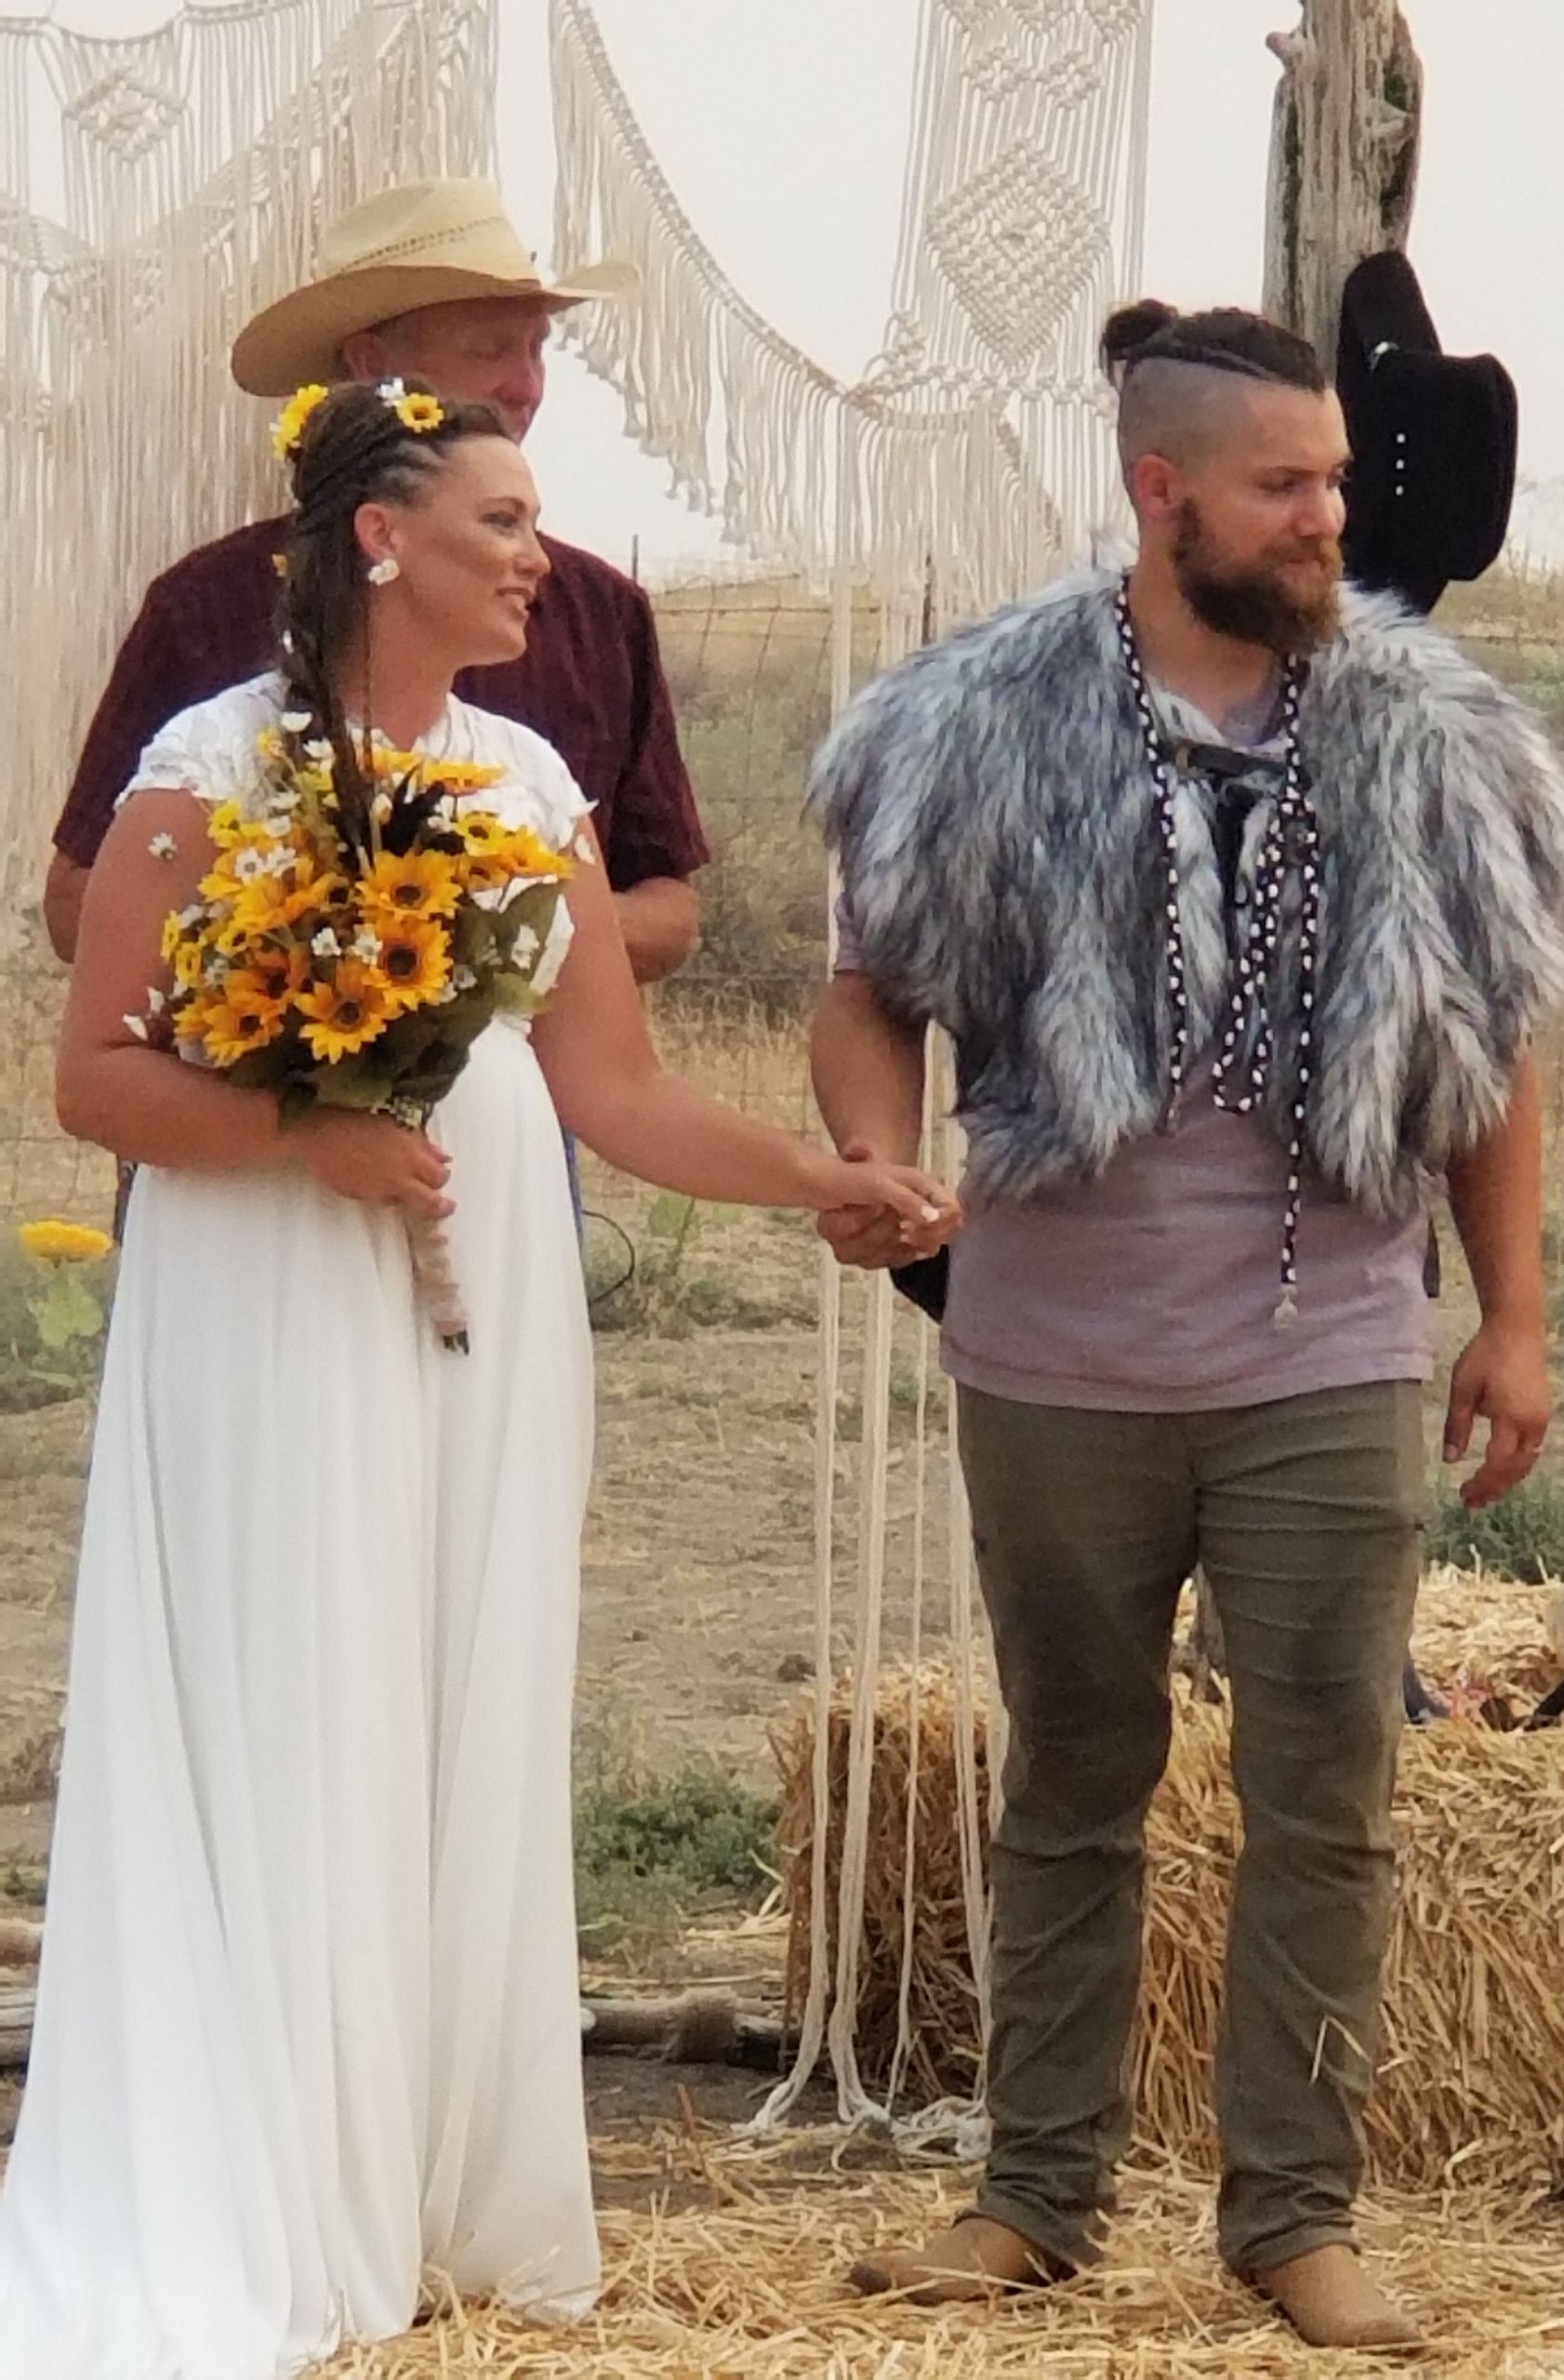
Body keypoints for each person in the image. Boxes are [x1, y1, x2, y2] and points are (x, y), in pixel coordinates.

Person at [0, 377, 957, 2379]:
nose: (538, 555)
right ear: (382, 538)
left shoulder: (528, 777)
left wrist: (821, 1179)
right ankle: (266, 2176)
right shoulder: (213, 764)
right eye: (503, 519)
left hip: (492, 1280)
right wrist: (305, 1138)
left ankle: (439, 2175)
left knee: (456, 1673)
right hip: (273, 1280)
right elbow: (98, 1074)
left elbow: (608, 1084)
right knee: (301, 1674)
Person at [806, 303, 1564, 2353]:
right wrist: (879, 1154)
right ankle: (1035, 2195)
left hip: (1328, 1351)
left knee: (1326, 1788)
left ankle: (1294, 2218)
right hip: (1054, 1356)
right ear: (1163, 494)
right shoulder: (983, 717)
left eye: (1335, 480)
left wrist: (1512, 1318)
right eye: (1287, 485)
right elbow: (867, 981)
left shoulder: (1424, 729)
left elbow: (1495, 1045)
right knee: (1073, 1772)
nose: (1331, 515)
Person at [43, 178, 706, 987]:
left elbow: (669, 908)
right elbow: (77, 907)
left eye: (537, 350)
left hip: (548, 1104)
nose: (527, 386)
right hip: (263, 1100)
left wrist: (491, 917)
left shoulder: (601, 614)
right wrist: (321, 937)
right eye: (490, 349)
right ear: (370, 364)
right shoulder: (208, 608)